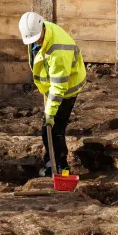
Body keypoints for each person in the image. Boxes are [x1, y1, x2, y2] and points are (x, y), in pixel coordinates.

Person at [18, 11, 86, 176]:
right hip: (53, 86)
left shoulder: (58, 51)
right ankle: (52, 164)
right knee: (50, 128)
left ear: (42, 27)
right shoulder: (38, 31)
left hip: (65, 88)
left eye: (36, 38)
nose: (35, 42)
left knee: (53, 128)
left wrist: (50, 112)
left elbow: (59, 87)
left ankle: (60, 168)